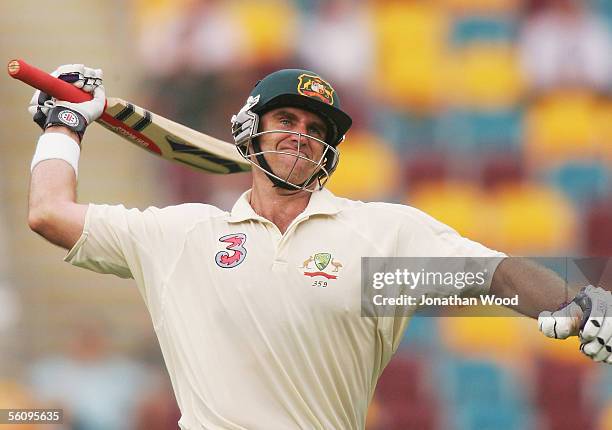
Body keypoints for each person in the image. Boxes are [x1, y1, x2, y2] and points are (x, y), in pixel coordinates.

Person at [27, 64, 612, 429]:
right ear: (251, 129)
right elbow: (50, 214)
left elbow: (500, 277)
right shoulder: (180, 237)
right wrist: (63, 126)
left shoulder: (382, 238)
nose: (302, 138)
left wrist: (583, 300)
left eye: (317, 131)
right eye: (287, 119)